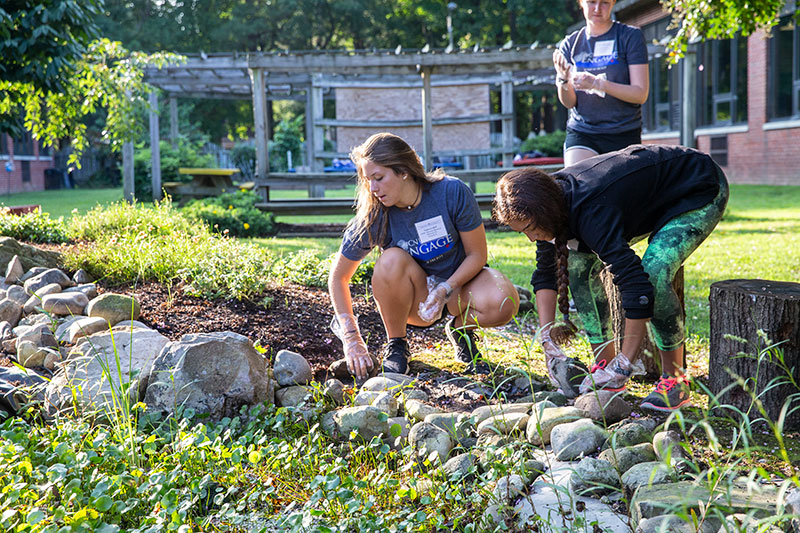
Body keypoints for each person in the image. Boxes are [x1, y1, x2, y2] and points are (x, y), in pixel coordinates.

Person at [493, 144, 729, 411]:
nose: (531, 237)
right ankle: (604, 366)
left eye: (530, 229)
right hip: (643, 204)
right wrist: (546, 337)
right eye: (522, 232)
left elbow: (636, 285)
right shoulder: (549, 206)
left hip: (696, 187)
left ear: (542, 211)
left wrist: (626, 362)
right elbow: (546, 274)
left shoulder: (591, 210)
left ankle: (675, 379)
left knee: (653, 274)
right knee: (578, 267)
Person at [328, 133, 519, 380]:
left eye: (379, 178)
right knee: (390, 260)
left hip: (459, 287)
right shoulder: (374, 216)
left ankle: (461, 330)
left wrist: (445, 289)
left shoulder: (452, 192)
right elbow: (338, 277)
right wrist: (352, 338)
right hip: (417, 300)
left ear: (404, 171)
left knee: (505, 302)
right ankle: (397, 344)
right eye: (368, 181)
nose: (373, 189)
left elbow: (477, 255)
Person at [553, 0, 650, 366]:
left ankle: (624, 275)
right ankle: (585, 278)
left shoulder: (630, 37)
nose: (597, 6)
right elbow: (569, 101)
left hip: (623, 135)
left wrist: (600, 82)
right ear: (580, 3)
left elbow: (639, 93)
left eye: (605, 0)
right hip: (582, 133)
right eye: (591, 0)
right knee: (577, 195)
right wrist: (564, 79)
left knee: (619, 210)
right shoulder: (570, 44)